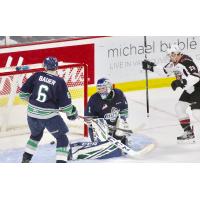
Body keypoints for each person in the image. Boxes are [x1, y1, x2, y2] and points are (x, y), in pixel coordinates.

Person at [70, 78, 154, 160]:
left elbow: (124, 110)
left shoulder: (119, 94)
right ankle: (80, 153)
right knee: (105, 144)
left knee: (121, 123)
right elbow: (88, 118)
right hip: (99, 129)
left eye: (103, 88)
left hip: (114, 127)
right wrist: (95, 123)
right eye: (99, 89)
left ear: (109, 87)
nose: (100, 91)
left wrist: (122, 121)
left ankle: (119, 139)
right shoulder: (94, 99)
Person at [19, 57, 78, 163]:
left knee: (35, 136)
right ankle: (61, 163)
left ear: (44, 66)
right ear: (56, 66)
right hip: (49, 117)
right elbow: (66, 107)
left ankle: (25, 160)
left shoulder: (37, 75)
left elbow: (22, 95)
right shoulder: (59, 81)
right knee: (62, 138)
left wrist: (36, 103)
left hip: (32, 115)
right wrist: (72, 112)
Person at [142, 44, 200, 142]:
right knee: (179, 107)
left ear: (177, 54)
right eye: (169, 55)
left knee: (196, 113)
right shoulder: (173, 63)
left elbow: (196, 76)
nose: (170, 57)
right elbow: (164, 72)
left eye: (172, 55)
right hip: (189, 89)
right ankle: (188, 133)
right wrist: (151, 67)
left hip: (198, 87)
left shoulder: (187, 61)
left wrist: (182, 82)